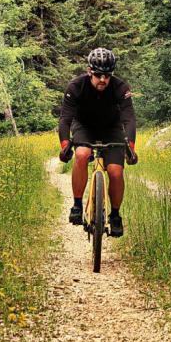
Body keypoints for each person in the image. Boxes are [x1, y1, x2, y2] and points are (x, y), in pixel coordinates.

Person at [58, 47, 137, 237]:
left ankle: (115, 215)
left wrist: (131, 147)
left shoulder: (120, 87)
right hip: (84, 126)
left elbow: (129, 118)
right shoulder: (76, 86)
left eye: (107, 76)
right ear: (89, 71)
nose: (103, 80)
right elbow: (65, 119)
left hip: (112, 128)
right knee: (82, 154)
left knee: (115, 171)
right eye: (98, 75)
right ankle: (77, 205)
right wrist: (64, 145)